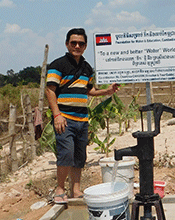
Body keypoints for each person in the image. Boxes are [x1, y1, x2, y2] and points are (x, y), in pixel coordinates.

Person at [45, 28, 120, 204]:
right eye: (73, 43)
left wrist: (107, 91)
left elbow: (89, 90)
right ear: (67, 44)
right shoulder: (58, 65)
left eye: (81, 43)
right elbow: (50, 90)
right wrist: (57, 115)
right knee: (66, 154)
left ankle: (75, 190)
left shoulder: (86, 67)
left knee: (80, 155)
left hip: (83, 120)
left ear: (85, 46)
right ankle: (60, 189)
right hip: (64, 119)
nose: (77, 46)